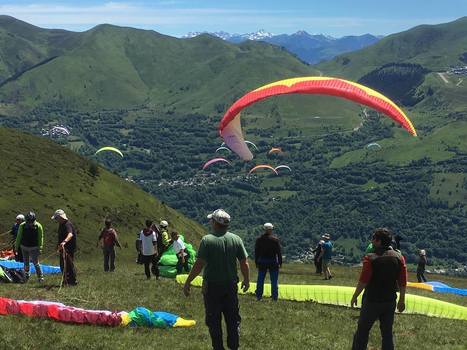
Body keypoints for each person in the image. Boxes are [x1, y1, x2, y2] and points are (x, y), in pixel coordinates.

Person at [183, 209, 249, 350]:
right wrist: (246, 279)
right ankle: (234, 346)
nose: (210, 222)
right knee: (232, 319)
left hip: (212, 287)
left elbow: (199, 264)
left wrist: (188, 282)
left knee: (213, 320)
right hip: (231, 286)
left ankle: (218, 347)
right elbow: (244, 262)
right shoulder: (236, 239)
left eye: (211, 220)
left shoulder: (207, 240)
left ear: (215, 223)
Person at [351, 228, 407, 350]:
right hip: (390, 301)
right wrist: (402, 300)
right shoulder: (399, 257)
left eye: (373, 238)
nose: (371, 241)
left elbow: (363, 280)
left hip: (372, 300)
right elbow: (402, 281)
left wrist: (355, 296)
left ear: (378, 241)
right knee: (387, 333)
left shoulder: (370, 258)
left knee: (362, 331)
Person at [254, 222, 282, 301]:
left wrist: (256, 261)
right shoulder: (275, 240)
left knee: (260, 279)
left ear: (264, 229)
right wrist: (280, 262)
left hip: (262, 261)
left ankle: (259, 296)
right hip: (273, 261)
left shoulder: (259, 239)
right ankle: (274, 297)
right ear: (271, 229)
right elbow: (279, 252)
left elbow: (256, 252)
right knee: (274, 280)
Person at [14, 212, 44, 282]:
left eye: (31, 222)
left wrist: (40, 248)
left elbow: (40, 237)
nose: (30, 223)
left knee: (36, 262)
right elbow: (19, 236)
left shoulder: (38, 226)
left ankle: (40, 277)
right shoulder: (22, 225)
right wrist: (16, 247)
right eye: (28, 221)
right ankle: (26, 276)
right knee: (26, 262)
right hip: (24, 247)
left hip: (34, 247)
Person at [52, 209, 78, 286]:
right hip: (63, 248)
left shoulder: (67, 224)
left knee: (68, 264)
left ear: (60, 217)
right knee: (63, 265)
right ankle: (66, 280)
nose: (56, 220)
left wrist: (64, 242)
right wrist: (58, 245)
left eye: (56, 218)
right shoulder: (61, 225)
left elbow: (70, 234)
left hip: (69, 248)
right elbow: (61, 236)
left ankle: (72, 281)